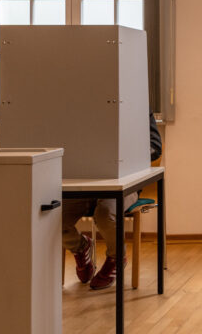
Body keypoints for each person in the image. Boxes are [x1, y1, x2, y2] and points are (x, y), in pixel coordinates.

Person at [63, 113, 162, 290]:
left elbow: (155, 147)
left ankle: (116, 258)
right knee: (53, 218)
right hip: (88, 182)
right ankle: (80, 247)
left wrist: (124, 154)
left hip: (126, 183)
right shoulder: (82, 108)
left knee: (105, 214)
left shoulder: (137, 107)